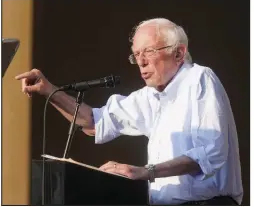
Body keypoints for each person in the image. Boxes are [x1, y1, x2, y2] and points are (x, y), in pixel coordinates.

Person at [15, 18, 243, 205]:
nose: (141, 62)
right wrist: (49, 90)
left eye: (149, 51)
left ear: (179, 53)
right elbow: (95, 122)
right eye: (136, 55)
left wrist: (146, 172)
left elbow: (211, 152)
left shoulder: (199, 78)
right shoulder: (150, 96)